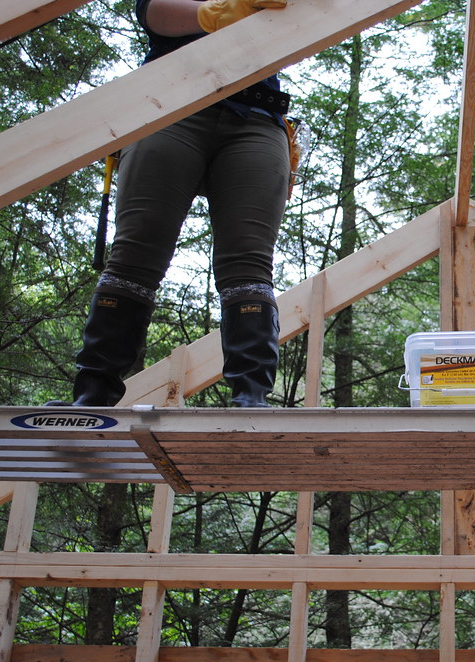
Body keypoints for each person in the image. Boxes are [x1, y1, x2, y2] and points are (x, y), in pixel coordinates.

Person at [50, 0, 292, 408]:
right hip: (171, 102)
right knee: (136, 250)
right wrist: (212, 13)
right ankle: (94, 393)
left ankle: (252, 397)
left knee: (249, 262)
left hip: (257, 114)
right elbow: (153, 10)